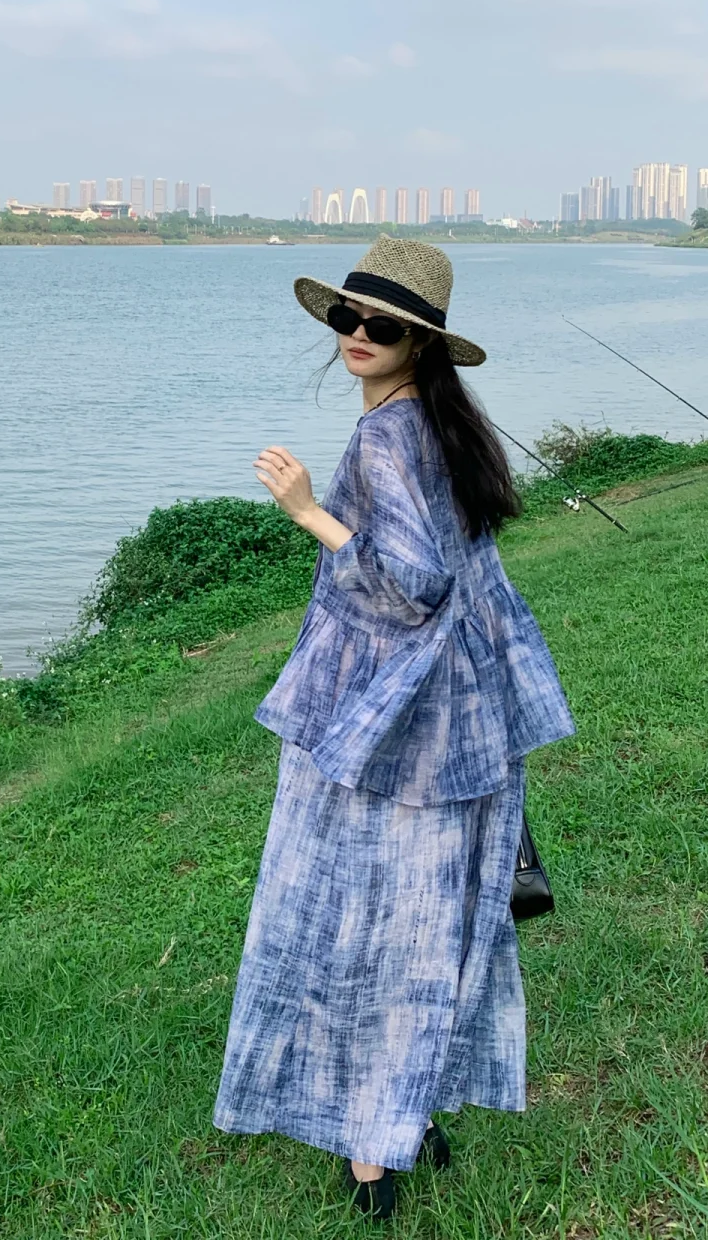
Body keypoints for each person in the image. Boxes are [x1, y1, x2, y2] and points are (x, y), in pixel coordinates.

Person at [213, 236, 574, 1222]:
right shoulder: (441, 426)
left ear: (422, 343)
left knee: (360, 923)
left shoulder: (387, 436)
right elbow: (470, 579)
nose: (359, 335)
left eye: (384, 325)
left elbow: (412, 582)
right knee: (426, 924)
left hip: (391, 726)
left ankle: (372, 1152)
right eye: (348, 316)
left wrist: (308, 513)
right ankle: (407, 1112)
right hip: (454, 719)